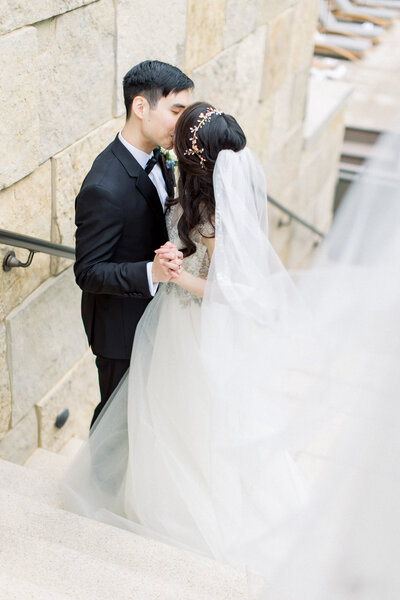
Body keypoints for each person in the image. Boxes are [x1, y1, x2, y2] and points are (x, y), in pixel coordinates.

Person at [65, 102, 400, 598]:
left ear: (195, 156)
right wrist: (172, 257)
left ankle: (186, 514)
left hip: (193, 323)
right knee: (165, 419)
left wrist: (180, 278)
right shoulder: (196, 193)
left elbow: (231, 292)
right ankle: (151, 497)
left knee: (191, 421)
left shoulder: (222, 216)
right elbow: (188, 249)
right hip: (170, 323)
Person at [74, 60, 193, 427]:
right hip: (120, 329)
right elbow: (88, 272)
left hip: (155, 314)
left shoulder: (161, 156)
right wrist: (150, 272)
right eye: (177, 111)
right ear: (141, 107)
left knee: (146, 415)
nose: (183, 122)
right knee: (116, 421)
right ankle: (95, 484)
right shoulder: (103, 187)